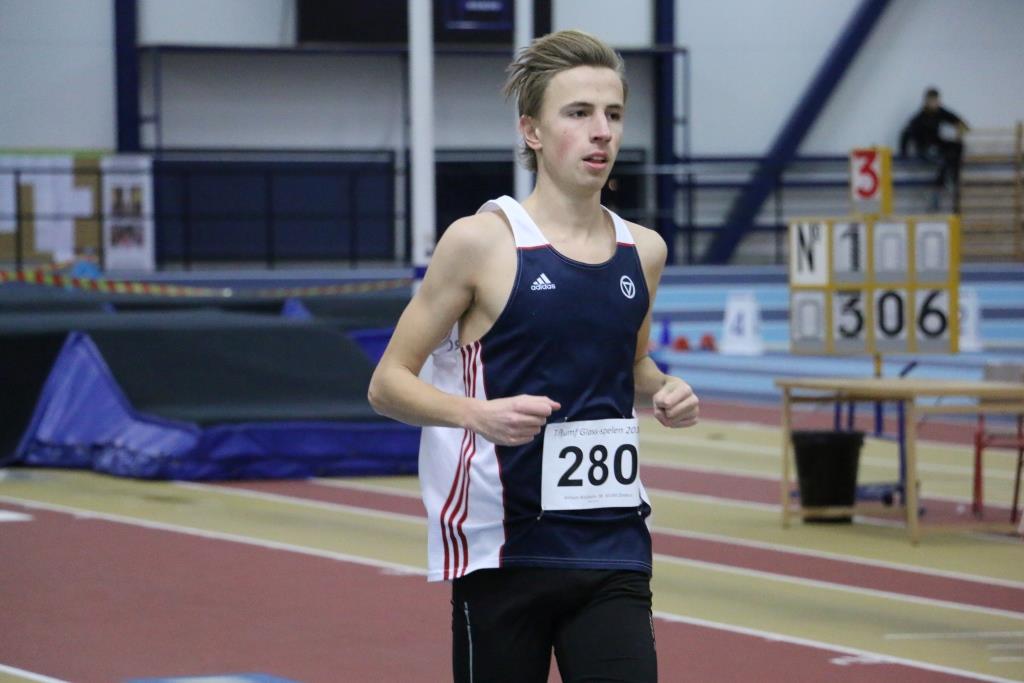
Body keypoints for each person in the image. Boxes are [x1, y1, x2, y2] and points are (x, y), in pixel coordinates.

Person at [368, 29, 699, 683]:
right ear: (533, 132)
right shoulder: (480, 243)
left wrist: (665, 388)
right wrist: (476, 414)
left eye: (612, 114)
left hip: (612, 544)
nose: (601, 132)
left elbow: (631, 367)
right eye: (578, 114)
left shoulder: (645, 251)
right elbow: (386, 383)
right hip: (503, 549)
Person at [899, 87, 969, 205]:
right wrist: (904, 153)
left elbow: (959, 122)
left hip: (937, 144)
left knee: (957, 147)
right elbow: (905, 134)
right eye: (931, 101)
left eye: (936, 101)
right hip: (924, 147)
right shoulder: (919, 118)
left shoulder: (940, 112)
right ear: (926, 101)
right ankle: (941, 185)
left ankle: (951, 181)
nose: (934, 103)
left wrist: (961, 129)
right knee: (944, 158)